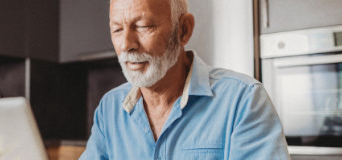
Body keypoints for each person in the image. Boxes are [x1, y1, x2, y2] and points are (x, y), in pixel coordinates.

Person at [79, 0, 290, 159]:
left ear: (183, 30)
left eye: (143, 26)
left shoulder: (243, 101)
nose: (126, 45)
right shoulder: (109, 109)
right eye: (117, 29)